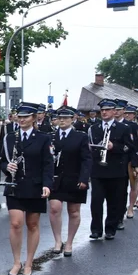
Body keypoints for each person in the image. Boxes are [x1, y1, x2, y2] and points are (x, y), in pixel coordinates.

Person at [2, 103, 53, 275]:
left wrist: (47, 184)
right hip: (15, 185)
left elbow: (48, 163)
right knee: (16, 223)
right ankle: (17, 262)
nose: (21, 119)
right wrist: (6, 166)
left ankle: (29, 263)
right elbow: (1, 159)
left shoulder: (43, 138)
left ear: (33, 118)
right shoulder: (9, 137)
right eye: (19, 116)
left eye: (26, 116)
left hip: (34, 185)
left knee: (32, 224)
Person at [87, 99, 134, 241]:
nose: (104, 112)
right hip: (98, 171)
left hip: (116, 170)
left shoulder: (123, 128)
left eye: (107, 110)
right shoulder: (93, 128)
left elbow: (129, 148)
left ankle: (110, 229)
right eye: (102, 110)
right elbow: (89, 146)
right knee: (96, 201)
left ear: (114, 111)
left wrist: (114, 147)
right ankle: (96, 229)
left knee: (114, 202)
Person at [47, 106, 91, 257]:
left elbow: (86, 159)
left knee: (73, 211)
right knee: (54, 208)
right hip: (55, 179)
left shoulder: (81, 137)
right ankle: (58, 241)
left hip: (74, 178)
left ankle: (70, 242)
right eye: (60, 118)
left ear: (73, 119)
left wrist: (84, 178)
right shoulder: (51, 136)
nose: (62, 120)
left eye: (66, 118)